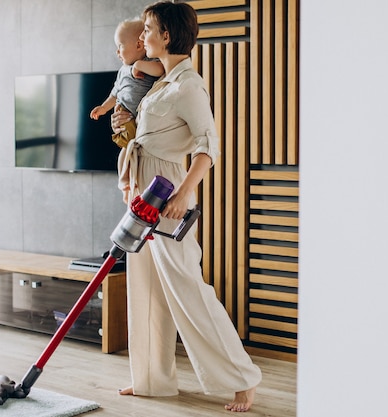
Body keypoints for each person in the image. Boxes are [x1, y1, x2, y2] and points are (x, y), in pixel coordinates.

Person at [110, 1, 262, 413]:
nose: (142, 36)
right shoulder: (160, 82)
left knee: (187, 287)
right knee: (148, 288)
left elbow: (207, 146)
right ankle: (151, 380)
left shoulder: (189, 86)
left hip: (168, 195)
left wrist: (181, 195)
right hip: (143, 190)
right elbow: (151, 136)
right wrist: (125, 130)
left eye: (148, 29)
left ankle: (242, 378)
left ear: (168, 35)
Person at [90, 18, 164, 151]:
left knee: (133, 149)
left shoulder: (150, 61)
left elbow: (160, 70)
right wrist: (103, 108)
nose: (117, 52)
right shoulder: (123, 70)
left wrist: (139, 65)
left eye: (120, 46)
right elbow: (115, 93)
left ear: (138, 46)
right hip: (125, 113)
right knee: (127, 150)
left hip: (142, 118)